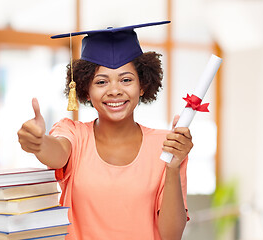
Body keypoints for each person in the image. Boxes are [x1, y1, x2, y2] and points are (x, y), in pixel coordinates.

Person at [17, 21, 193, 240]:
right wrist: (39, 143)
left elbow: (172, 235)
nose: (115, 90)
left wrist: (173, 167)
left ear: (143, 85)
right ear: (85, 90)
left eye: (126, 80)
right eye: (101, 82)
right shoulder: (73, 133)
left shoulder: (167, 145)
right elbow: (58, 154)